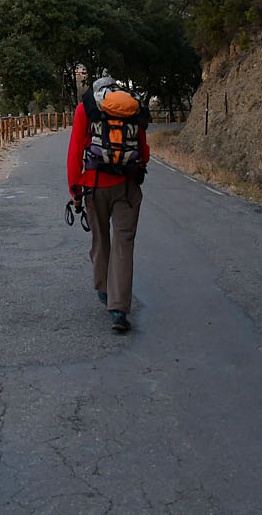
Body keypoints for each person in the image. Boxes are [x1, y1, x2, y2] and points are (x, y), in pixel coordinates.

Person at [67, 75, 149, 333]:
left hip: (95, 185)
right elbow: (144, 150)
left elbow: (76, 150)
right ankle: (119, 309)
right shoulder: (132, 106)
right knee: (124, 244)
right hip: (127, 186)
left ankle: (104, 290)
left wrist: (75, 189)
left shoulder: (86, 108)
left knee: (101, 240)